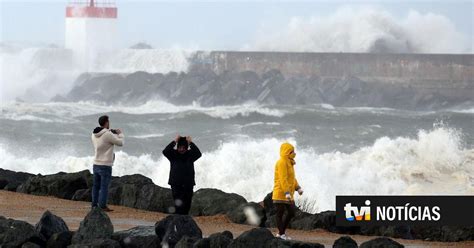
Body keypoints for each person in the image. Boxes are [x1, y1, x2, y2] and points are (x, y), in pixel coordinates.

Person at [91, 115, 124, 212]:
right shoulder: (107, 134)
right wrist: (120, 134)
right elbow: (120, 143)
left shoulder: (93, 134)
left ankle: (94, 205)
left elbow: (103, 141)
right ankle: (102, 206)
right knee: (104, 186)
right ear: (106, 122)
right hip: (105, 164)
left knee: (96, 186)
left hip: (96, 163)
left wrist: (110, 132)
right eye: (108, 121)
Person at [163, 135, 202, 215]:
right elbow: (165, 151)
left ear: (187, 148)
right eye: (180, 147)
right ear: (177, 147)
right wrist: (175, 141)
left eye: (184, 148)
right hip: (176, 185)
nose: (181, 149)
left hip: (188, 185)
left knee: (186, 206)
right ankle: (177, 223)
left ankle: (184, 223)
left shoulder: (190, 155)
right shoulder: (173, 155)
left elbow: (198, 153)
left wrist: (190, 142)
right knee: (178, 206)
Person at [272, 142, 303, 240]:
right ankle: (281, 235)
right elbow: (283, 179)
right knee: (279, 214)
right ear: (286, 152)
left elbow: (292, 178)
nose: (294, 153)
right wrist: (286, 192)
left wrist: (297, 188)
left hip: (288, 194)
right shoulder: (281, 162)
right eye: (292, 151)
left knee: (291, 212)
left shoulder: (290, 162)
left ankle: (281, 233)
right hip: (281, 193)